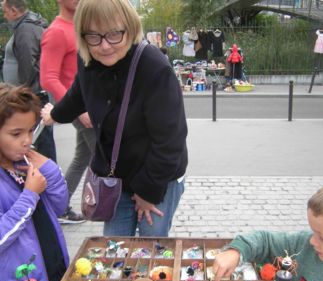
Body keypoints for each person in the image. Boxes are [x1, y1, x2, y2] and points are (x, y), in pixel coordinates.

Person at [41, 0, 188, 237]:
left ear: (130, 28)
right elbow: (79, 93)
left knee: (151, 246)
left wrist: (147, 193)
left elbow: (170, 143)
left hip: (158, 176)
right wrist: (54, 115)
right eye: (94, 36)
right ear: (82, 35)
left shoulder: (154, 68)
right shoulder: (88, 57)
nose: (105, 46)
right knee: (114, 247)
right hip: (117, 178)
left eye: (114, 34)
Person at [213, 177, 323, 281]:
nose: (312, 241)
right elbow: (265, 240)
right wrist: (236, 252)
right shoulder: (303, 245)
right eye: (313, 232)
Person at [0, 84, 69, 281]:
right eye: (16, 133)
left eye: (30, 130)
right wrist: (30, 195)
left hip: (55, 268)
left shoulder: (25, 165)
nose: (27, 141)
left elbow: (59, 207)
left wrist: (49, 170)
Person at [40, 0, 96, 224]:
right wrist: (76, 110)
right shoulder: (56, 32)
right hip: (80, 109)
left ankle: (59, 207)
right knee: (110, 159)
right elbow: (48, 77)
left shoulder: (81, 26)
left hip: (88, 105)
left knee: (83, 157)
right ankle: (124, 209)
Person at [1, 0, 57, 162]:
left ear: (13, 10)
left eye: (5, 12)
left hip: (31, 95)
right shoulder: (28, 24)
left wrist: (23, 94)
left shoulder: (25, 28)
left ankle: (48, 175)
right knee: (41, 137)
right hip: (32, 93)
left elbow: (28, 64)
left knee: (42, 139)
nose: (5, 16)